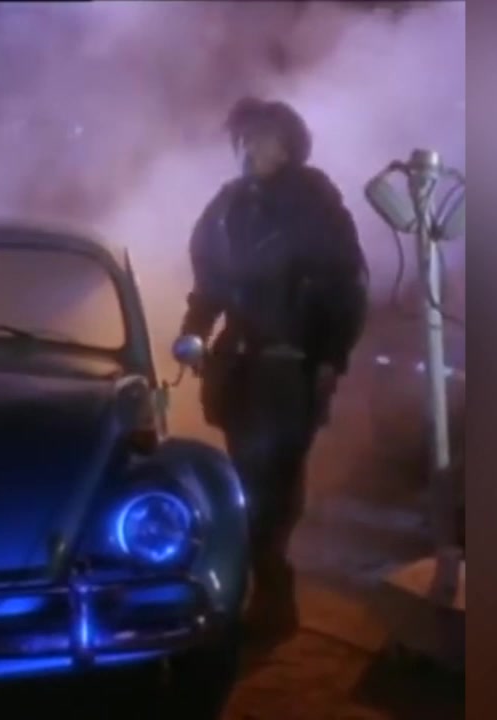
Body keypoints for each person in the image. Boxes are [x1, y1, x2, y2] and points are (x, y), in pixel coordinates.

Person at [179, 97, 368, 644]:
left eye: (259, 138)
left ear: (287, 145)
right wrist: (194, 331)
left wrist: (330, 357)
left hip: (289, 367)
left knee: (275, 484)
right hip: (240, 366)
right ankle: (255, 592)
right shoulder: (227, 205)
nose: (248, 148)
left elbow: (347, 287)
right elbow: (210, 284)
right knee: (244, 479)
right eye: (243, 138)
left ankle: (274, 598)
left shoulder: (315, 202)